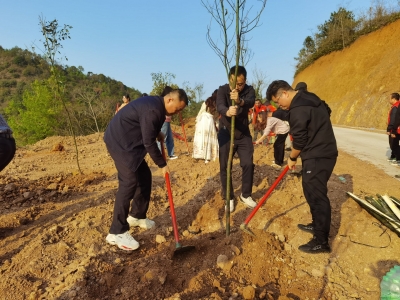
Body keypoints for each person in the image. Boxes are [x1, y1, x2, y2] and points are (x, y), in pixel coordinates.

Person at [103, 88, 188, 251]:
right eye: (177, 108)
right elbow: (149, 143)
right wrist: (162, 164)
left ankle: (137, 216)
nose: (177, 112)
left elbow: (145, 125)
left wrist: (157, 133)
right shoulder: (154, 109)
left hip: (128, 142)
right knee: (129, 182)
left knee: (144, 176)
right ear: (170, 100)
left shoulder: (157, 106)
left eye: (180, 111)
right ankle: (117, 232)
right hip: (120, 143)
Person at [266, 80, 337, 254]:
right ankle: (316, 224)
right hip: (323, 152)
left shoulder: (298, 109)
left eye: (278, 101)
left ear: (284, 93)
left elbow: (300, 140)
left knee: (317, 196)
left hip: (318, 155)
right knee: (310, 189)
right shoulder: (308, 97)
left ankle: (321, 242)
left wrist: (291, 158)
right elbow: (327, 110)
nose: (279, 105)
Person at [217, 65, 256, 212]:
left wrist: (239, 101)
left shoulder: (249, 90)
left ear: (245, 80)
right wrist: (227, 111)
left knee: (248, 164)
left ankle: (245, 195)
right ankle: (229, 197)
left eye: (240, 83)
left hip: (243, 134)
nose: (237, 86)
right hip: (226, 133)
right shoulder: (222, 90)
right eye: (234, 83)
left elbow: (250, 101)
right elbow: (220, 105)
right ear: (229, 80)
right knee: (225, 166)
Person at [192, 90, 219, 163]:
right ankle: (207, 157)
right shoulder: (217, 104)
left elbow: (200, 112)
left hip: (202, 120)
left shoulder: (206, 102)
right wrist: (217, 126)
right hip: (209, 121)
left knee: (201, 138)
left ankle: (198, 155)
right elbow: (216, 118)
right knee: (208, 139)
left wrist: (197, 122)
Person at [159, 86, 178, 160]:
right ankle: (160, 154)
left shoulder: (169, 100)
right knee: (162, 138)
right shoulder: (164, 100)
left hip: (168, 121)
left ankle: (171, 154)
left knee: (170, 138)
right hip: (164, 121)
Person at [387, 93, 400, 163]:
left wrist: (390, 129)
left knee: (393, 144)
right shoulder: (396, 106)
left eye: (390, 98)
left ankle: (398, 159)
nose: (389, 100)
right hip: (396, 128)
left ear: (394, 99)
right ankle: (393, 156)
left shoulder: (395, 107)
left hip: (395, 129)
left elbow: (394, 119)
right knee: (394, 144)